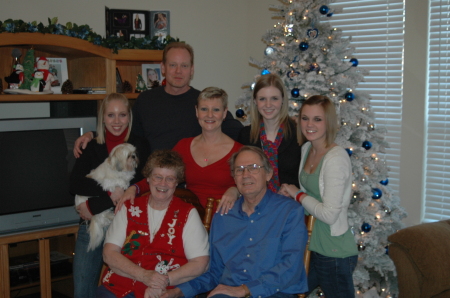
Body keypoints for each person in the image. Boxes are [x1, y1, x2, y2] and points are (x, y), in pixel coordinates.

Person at [162, 146, 308, 298]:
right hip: (229, 293)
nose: (246, 175)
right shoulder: (223, 216)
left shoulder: (289, 211)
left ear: (268, 174)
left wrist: (244, 289)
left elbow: (291, 267)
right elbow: (214, 272)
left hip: (274, 292)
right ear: (234, 178)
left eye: (253, 168)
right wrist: (179, 291)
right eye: (240, 170)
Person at [73, 42, 242, 157]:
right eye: (172, 65)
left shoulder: (204, 104)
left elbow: (237, 132)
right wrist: (92, 134)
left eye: (184, 66)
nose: (178, 71)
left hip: (190, 182)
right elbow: (123, 130)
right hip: (152, 181)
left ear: (192, 70)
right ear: (163, 68)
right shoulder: (146, 100)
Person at [97, 150, 209, 298]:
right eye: (158, 177)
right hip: (120, 286)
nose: (163, 184)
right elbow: (109, 254)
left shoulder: (188, 213)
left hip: (165, 290)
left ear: (177, 183)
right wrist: (143, 275)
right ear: (148, 178)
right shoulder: (129, 208)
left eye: (170, 179)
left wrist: (163, 281)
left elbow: (201, 263)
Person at [70, 93, 150, 298]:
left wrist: (95, 205)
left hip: (127, 225)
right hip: (92, 223)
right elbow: (75, 183)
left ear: (129, 117)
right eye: (111, 115)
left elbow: (142, 182)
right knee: (82, 289)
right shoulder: (92, 146)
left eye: (122, 115)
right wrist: (109, 192)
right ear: (103, 118)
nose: (116, 121)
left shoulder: (139, 146)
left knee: (126, 290)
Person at [279, 95, 358, 298]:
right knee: (290, 293)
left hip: (334, 251)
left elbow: (330, 214)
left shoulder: (336, 158)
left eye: (317, 119)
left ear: (328, 122)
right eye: (305, 118)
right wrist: (290, 195)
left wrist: (297, 194)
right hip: (313, 245)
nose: (309, 125)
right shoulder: (307, 149)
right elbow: (311, 198)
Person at [126, 87, 242, 210]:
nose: (209, 115)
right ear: (197, 112)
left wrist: (236, 190)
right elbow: (160, 175)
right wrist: (134, 188)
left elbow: (252, 185)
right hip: (188, 220)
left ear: (224, 113)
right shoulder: (184, 146)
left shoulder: (239, 151)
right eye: (204, 109)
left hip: (226, 221)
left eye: (216, 110)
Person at [237, 73, 301, 192]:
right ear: (255, 101)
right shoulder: (246, 136)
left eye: (274, 98)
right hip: (255, 203)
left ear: (282, 100)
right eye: (262, 99)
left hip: (291, 204)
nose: (268, 105)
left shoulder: (298, 133)